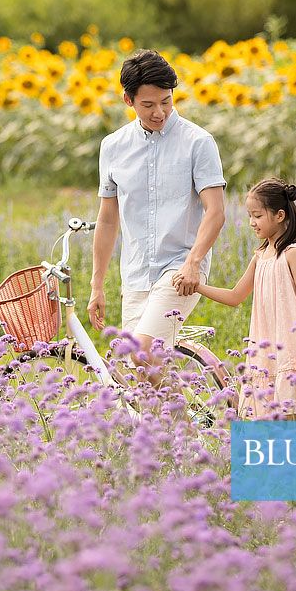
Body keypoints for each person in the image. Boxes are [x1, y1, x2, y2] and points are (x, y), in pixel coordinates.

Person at [88, 50, 227, 371]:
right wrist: (97, 285)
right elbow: (108, 219)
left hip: (180, 269)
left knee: (143, 354)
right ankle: (185, 421)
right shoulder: (113, 147)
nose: (160, 112)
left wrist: (193, 263)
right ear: (128, 100)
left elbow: (216, 211)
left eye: (166, 101)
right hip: (135, 273)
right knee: (137, 371)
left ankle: (181, 422)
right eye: (148, 105)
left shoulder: (198, 142)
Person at [177, 177, 296, 419]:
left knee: (295, 415)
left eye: (257, 216)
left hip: (293, 349)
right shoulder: (260, 256)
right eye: (250, 216)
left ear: (279, 215)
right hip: (266, 349)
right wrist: (197, 286)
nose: (252, 223)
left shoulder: (294, 253)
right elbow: (235, 296)